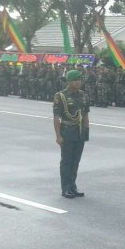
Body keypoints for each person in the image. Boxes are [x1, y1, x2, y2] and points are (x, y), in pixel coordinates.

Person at [53, 70, 89, 199]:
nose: (78, 82)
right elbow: (56, 117)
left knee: (76, 161)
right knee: (67, 161)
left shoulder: (83, 95)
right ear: (69, 81)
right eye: (75, 80)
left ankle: (73, 186)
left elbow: (85, 114)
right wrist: (58, 136)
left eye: (80, 79)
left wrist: (86, 132)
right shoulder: (60, 96)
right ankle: (66, 188)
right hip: (67, 131)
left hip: (80, 133)